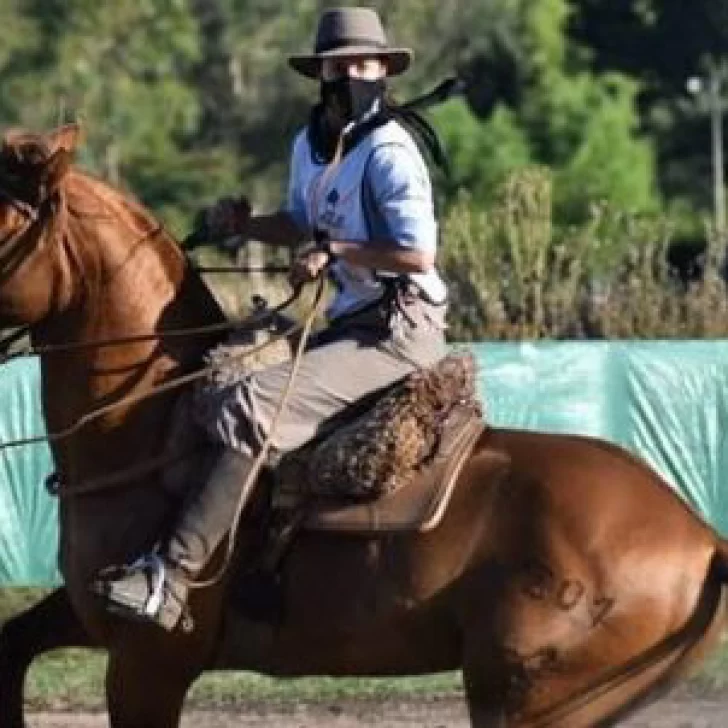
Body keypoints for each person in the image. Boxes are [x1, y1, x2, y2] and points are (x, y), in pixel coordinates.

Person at [92, 6, 449, 631]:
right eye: (342, 66)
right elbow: (298, 224)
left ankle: (170, 580)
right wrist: (247, 225)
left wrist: (333, 251)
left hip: (398, 328)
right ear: (322, 73)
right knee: (217, 381)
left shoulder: (393, 151)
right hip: (345, 318)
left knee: (251, 404)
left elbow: (417, 254)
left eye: (366, 65)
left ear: (383, 70)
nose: (354, 76)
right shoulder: (308, 144)